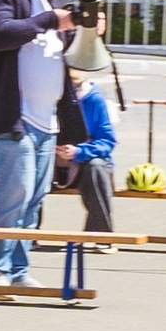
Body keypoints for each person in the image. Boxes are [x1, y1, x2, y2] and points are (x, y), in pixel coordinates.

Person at [0, 0, 100, 287]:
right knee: (13, 193)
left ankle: (19, 271)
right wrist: (54, 21)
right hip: (11, 114)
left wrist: (85, 31)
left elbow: (57, 45)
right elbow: (0, 34)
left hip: (46, 118)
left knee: (33, 199)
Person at [55, 70, 118, 233]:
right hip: (54, 161)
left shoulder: (95, 98)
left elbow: (107, 140)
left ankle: (100, 233)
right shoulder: (51, 94)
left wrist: (78, 151)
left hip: (84, 164)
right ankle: (27, 233)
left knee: (96, 167)